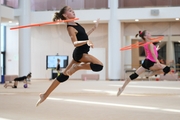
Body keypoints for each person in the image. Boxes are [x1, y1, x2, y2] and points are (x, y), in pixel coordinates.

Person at [36, 6, 103, 106]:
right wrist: (87, 41)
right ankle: (77, 67)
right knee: (99, 65)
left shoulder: (76, 24)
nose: (73, 11)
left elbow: (84, 36)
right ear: (65, 15)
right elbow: (75, 43)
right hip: (80, 53)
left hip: (81, 52)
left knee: (64, 75)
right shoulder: (70, 28)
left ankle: (44, 95)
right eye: (70, 11)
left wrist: (94, 28)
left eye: (72, 10)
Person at [117, 30, 170, 96]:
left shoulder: (145, 44)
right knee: (167, 69)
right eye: (148, 33)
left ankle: (122, 88)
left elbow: (147, 53)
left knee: (134, 75)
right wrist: (157, 61)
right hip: (151, 62)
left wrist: (156, 50)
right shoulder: (150, 43)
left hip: (147, 62)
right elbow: (153, 54)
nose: (150, 33)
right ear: (145, 36)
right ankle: (151, 73)